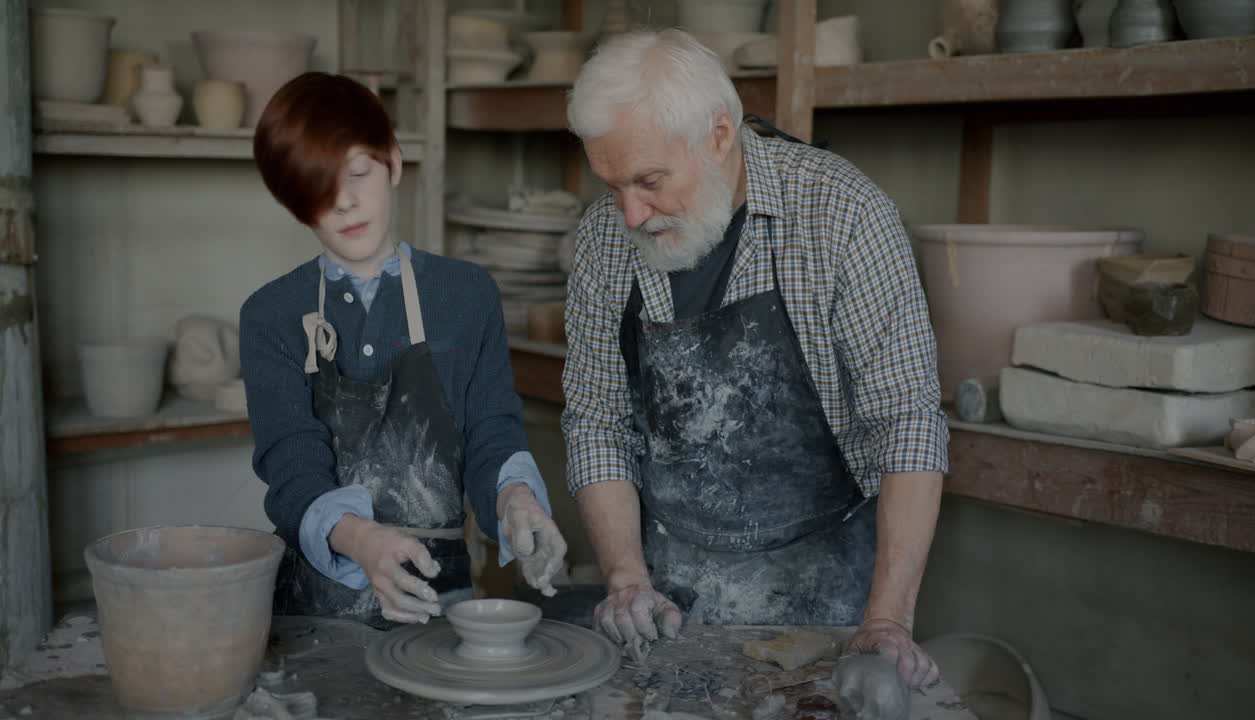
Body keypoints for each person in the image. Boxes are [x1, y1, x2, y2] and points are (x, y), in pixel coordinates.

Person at [560, 30, 950, 687]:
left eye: (649, 181)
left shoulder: (842, 215)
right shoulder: (605, 238)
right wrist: (626, 577)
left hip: (824, 594)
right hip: (668, 593)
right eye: (612, 184)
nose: (630, 211)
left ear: (718, 135)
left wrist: (888, 619)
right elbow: (597, 424)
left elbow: (907, 423)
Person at [241, 72, 567, 628]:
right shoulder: (272, 314)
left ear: (393, 162)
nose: (344, 202)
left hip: (439, 602)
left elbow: (491, 432)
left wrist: (517, 500)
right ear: (296, 206)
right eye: (318, 190)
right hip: (317, 610)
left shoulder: (464, 295)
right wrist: (361, 540)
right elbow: (292, 468)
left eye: (358, 174)